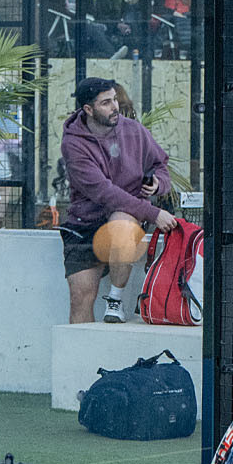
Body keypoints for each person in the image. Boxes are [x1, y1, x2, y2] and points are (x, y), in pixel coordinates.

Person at [60, 77, 176, 324]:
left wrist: (158, 184)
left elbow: (161, 165)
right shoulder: (73, 143)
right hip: (83, 224)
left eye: (114, 99)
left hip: (126, 215)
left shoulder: (134, 130)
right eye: (106, 103)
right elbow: (105, 193)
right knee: (80, 297)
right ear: (88, 109)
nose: (115, 106)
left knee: (122, 221)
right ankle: (82, 349)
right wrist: (154, 214)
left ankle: (115, 299)